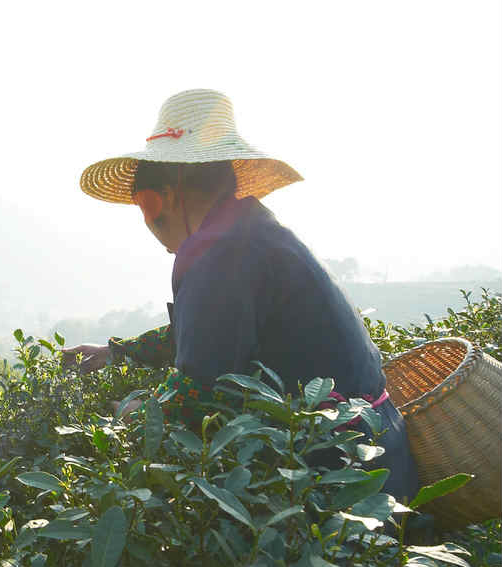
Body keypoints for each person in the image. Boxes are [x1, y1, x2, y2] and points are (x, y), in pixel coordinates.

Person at [66, 88, 419, 501]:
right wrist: (117, 352)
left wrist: (131, 418)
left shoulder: (221, 255)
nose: (148, 222)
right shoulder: (250, 233)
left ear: (172, 192)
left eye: (144, 204)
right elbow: (203, 333)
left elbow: (196, 390)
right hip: (383, 461)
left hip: (341, 480)